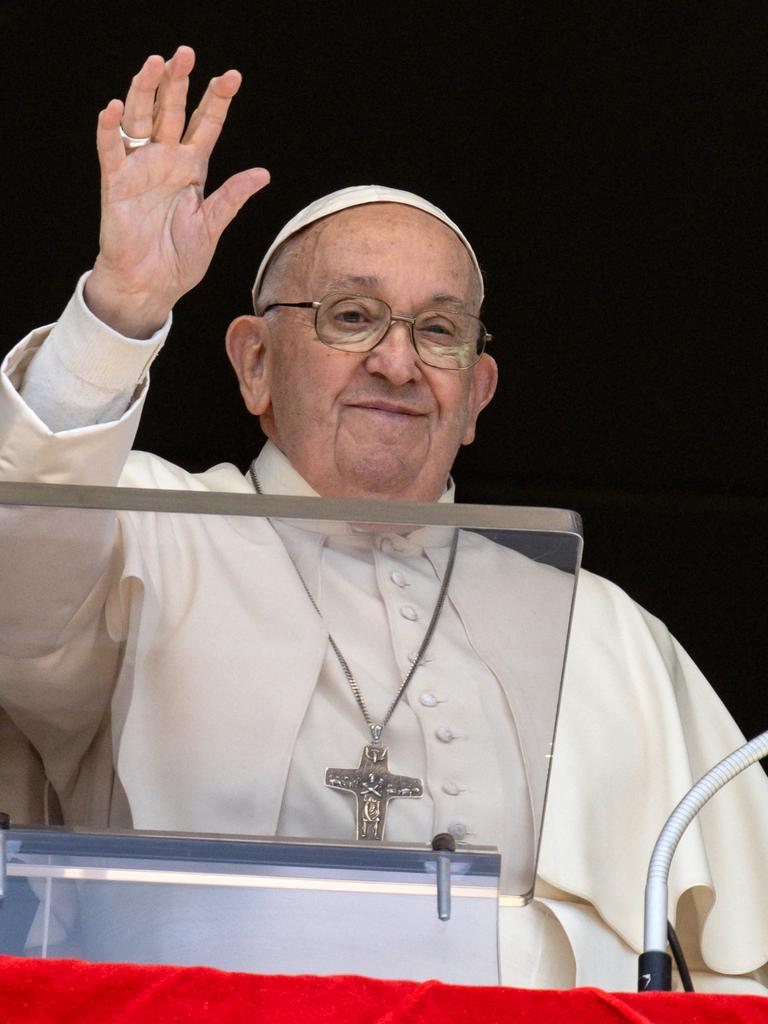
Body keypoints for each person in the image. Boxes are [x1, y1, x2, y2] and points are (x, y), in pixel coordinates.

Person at [1, 46, 768, 992]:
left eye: (438, 331)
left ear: (477, 393)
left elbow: (741, 967)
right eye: (351, 317)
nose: (398, 365)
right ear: (253, 364)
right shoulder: (148, 535)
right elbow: (19, 573)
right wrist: (119, 310)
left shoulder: (604, 629)